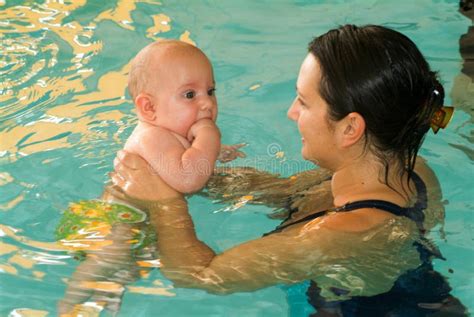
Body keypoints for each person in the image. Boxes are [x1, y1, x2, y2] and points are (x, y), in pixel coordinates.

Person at [110, 24, 467, 316]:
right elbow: (290, 193)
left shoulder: (342, 233)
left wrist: (164, 201)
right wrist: (184, 166)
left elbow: (198, 275)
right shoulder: (410, 170)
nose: (291, 113)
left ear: (350, 129)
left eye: (303, 101)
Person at [56, 40, 245, 314]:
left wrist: (214, 152)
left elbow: (184, 156)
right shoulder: (152, 136)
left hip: (139, 217)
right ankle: (70, 301)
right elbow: (190, 179)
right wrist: (209, 137)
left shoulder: (169, 132)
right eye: (190, 95)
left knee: (129, 266)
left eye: (210, 91)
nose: (207, 103)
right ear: (148, 108)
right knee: (108, 258)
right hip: (118, 219)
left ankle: (112, 288)